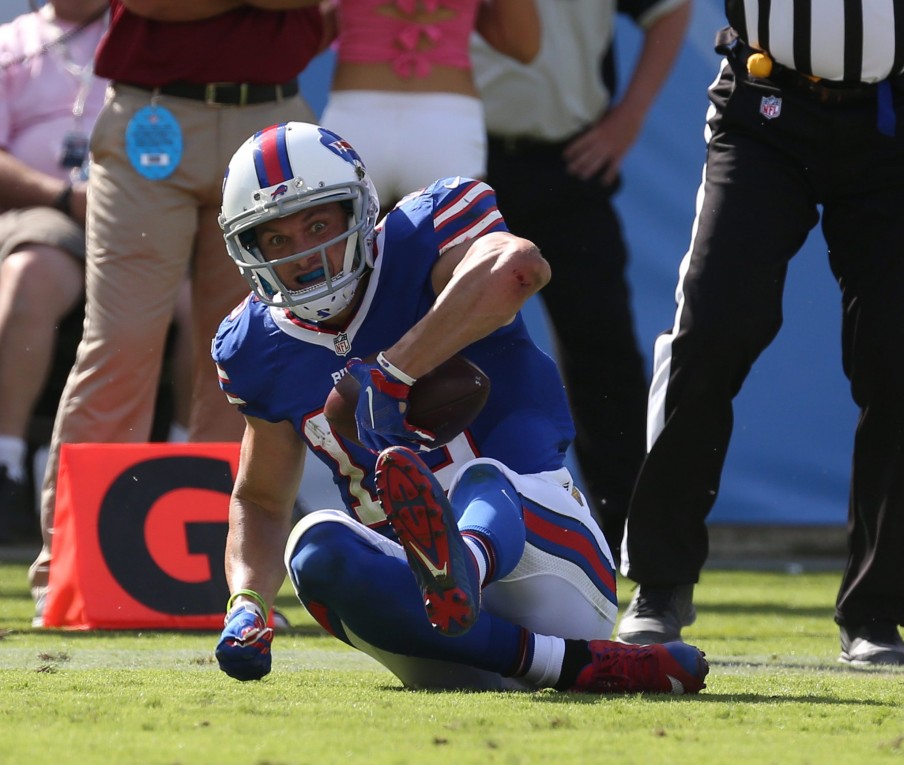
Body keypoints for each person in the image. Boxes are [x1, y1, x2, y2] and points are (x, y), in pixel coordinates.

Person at [210, 121, 709, 693]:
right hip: (424, 620)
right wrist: (246, 600)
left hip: (546, 563)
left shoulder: (427, 231)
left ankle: (462, 568)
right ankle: (571, 664)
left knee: (479, 476)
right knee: (315, 543)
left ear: (359, 212)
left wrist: (393, 372)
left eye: (318, 223)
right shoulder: (253, 345)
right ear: (248, 251)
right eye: (276, 240)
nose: (305, 254)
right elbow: (262, 499)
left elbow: (519, 267)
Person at [616, 1, 904, 668]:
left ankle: (876, 611)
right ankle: (659, 584)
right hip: (766, 108)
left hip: (897, 117)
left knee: (898, 362)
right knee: (709, 331)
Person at [27, 0, 327, 622]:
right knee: (122, 342)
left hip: (270, 125)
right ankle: (67, 568)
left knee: (250, 354)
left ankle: (231, 584)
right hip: (151, 113)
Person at [470, 0, 692, 557]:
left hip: (567, 163)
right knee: (432, 354)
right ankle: (426, 532)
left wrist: (630, 116)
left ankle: (637, 545)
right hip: (459, 165)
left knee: (603, 354)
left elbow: (670, 9)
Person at [0, 0, 109, 543]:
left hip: (141, 214)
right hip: (42, 213)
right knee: (31, 274)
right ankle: (7, 466)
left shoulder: (144, 36)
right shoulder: (11, 43)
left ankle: (188, 461)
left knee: (200, 296)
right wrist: (66, 198)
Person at [320, 0, 539, 212]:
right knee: (456, 247)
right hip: (447, 125)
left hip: (355, 118)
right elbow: (523, 45)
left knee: (340, 246)